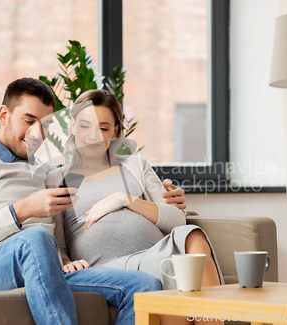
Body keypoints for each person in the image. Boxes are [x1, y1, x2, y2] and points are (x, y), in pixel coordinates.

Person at [0, 78, 187, 325]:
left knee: (144, 285)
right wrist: (19, 211)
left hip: (49, 270)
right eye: (28, 121)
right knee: (36, 237)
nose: (37, 134)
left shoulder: (49, 173)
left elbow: (60, 229)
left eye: (45, 125)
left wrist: (64, 260)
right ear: (4, 114)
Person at [47, 89, 223, 324]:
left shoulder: (136, 166)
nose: (93, 136)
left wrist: (125, 199)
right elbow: (56, 241)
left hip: (153, 252)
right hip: (107, 266)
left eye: (104, 127)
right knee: (172, 266)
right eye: (85, 125)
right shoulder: (58, 179)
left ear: (116, 131)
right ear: (72, 126)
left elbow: (176, 219)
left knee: (192, 235)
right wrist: (66, 262)